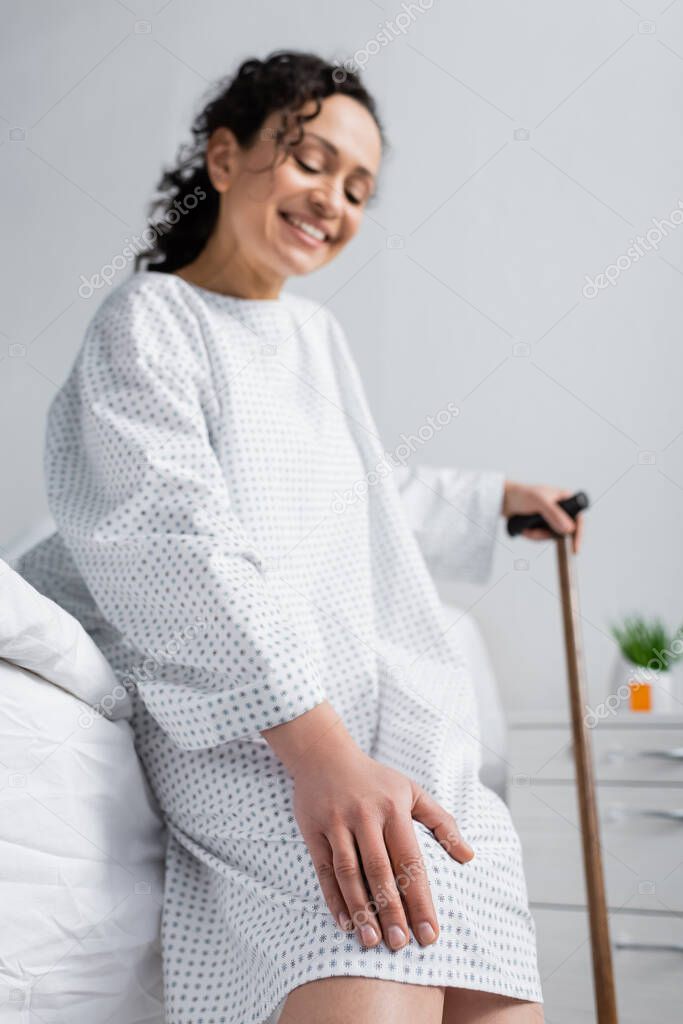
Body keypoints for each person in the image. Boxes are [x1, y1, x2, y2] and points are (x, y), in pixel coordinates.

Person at [20, 50, 584, 1024]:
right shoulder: (150, 321)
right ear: (225, 156)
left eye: (358, 187)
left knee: (481, 940)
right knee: (366, 926)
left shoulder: (313, 341)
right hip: (257, 727)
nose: (333, 199)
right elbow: (170, 537)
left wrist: (495, 497)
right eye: (311, 161)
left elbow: (359, 491)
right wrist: (321, 756)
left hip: (384, 704)